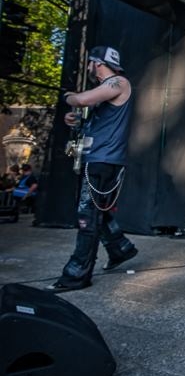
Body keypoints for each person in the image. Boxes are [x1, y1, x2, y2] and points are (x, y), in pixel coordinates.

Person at [52, 46, 138, 291]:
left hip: (103, 160)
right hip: (96, 158)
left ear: (96, 63)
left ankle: (76, 275)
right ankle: (120, 248)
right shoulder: (105, 92)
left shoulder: (118, 82)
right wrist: (78, 121)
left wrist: (68, 96)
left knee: (87, 217)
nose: (88, 67)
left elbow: (80, 99)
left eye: (90, 63)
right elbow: (98, 123)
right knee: (95, 211)